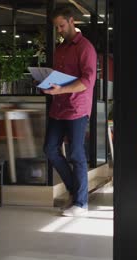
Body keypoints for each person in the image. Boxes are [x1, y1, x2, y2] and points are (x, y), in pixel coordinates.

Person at [43, 7, 97, 217]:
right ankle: (76, 190)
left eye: (62, 26)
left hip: (77, 108)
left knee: (76, 154)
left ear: (72, 21)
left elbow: (87, 81)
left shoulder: (85, 48)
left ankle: (81, 203)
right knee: (50, 149)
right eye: (57, 27)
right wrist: (46, 82)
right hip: (58, 107)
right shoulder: (61, 49)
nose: (59, 30)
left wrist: (62, 89)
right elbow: (58, 76)